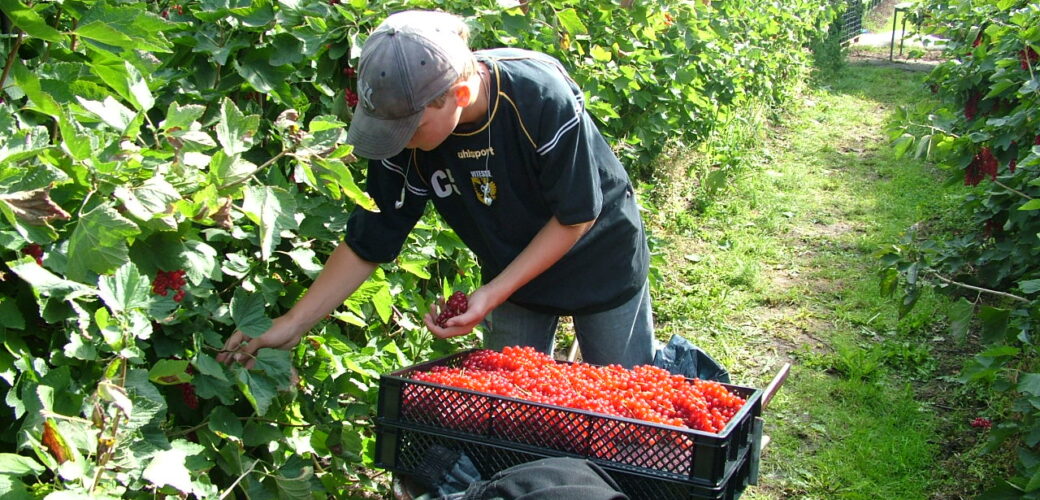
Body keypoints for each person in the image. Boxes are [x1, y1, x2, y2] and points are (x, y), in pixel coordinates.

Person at [218, 10, 654, 369]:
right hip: (510, 271)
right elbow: (373, 236)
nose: (398, 139)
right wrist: (293, 323)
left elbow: (576, 215)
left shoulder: (537, 96)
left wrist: (490, 294)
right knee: (514, 407)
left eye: (409, 128)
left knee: (626, 406)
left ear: (458, 93)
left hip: (599, 255)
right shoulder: (404, 129)